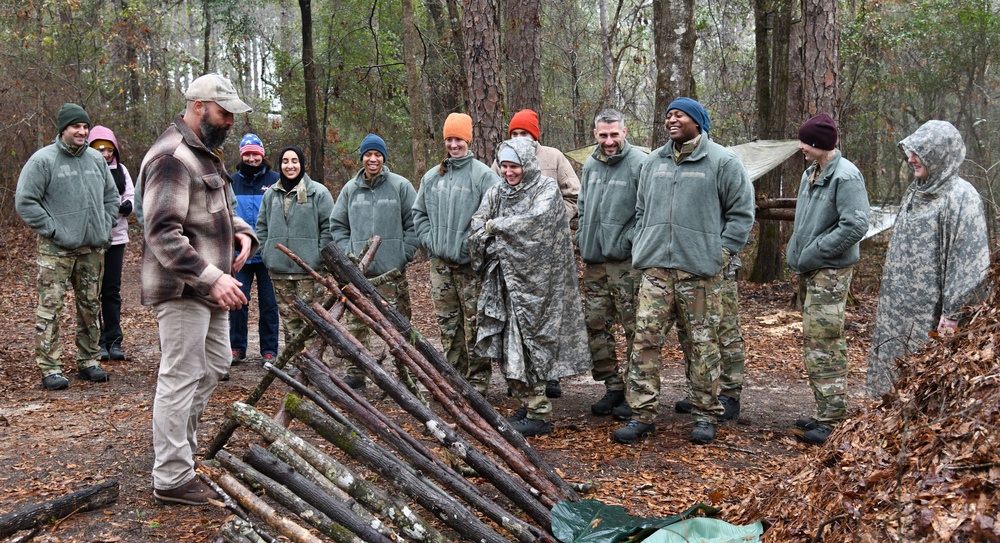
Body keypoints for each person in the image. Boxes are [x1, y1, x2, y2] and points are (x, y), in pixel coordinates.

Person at [140, 73, 257, 505]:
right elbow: (163, 234)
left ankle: (181, 456)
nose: (230, 121)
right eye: (224, 112)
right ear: (199, 106)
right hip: (184, 289)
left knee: (211, 370)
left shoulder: (206, 155)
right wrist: (213, 276)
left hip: (212, 291)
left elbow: (223, 208)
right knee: (180, 377)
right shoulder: (171, 157)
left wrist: (244, 234)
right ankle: (171, 478)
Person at [614, 97, 754, 446]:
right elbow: (642, 209)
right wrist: (642, 244)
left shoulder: (722, 162)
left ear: (698, 121)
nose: (671, 120)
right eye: (668, 116)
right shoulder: (653, 163)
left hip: (700, 274)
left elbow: (741, 215)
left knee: (702, 346)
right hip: (656, 272)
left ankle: (705, 415)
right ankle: (642, 415)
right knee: (644, 343)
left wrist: (718, 254)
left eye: (679, 115)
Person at [468, 138, 590, 437]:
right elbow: (476, 224)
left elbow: (535, 223)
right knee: (508, 344)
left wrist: (495, 228)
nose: (509, 172)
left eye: (515, 166)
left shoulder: (545, 189)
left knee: (531, 342)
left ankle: (539, 412)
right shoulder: (497, 191)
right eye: (505, 166)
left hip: (540, 288)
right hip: (505, 283)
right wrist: (491, 234)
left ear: (528, 164)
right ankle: (529, 402)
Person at [865, 120, 990, 397]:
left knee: (924, 388)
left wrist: (954, 313)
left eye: (919, 152)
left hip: (933, 318)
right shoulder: (916, 190)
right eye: (910, 151)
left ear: (938, 153)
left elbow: (971, 263)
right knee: (891, 383)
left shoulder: (961, 197)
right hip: (898, 311)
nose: (910, 159)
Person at [16, 104, 119, 391]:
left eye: (85, 127)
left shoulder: (96, 160)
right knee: (51, 308)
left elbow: (112, 197)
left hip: (92, 249)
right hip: (56, 251)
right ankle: (50, 367)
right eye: (76, 126)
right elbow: (25, 201)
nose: (82, 131)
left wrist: (105, 223)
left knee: (90, 306)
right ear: (63, 129)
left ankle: (88, 362)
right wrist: (52, 230)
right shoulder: (42, 161)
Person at [785, 113, 870, 446]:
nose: (800, 147)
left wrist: (817, 251)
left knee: (825, 341)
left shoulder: (846, 177)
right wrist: (800, 252)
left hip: (831, 271)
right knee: (814, 340)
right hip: (812, 268)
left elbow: (855, 225)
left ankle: (832, 420)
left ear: (819, 144)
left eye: (804, 141)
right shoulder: (811, 173)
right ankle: (825, 411)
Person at [491, 108, 582, 399]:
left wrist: (555, 220)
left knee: (549, 316)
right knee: (517, 317)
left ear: (535, 135)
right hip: (514, 253)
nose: (520, 138)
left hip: (550, 252)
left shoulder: (553, 157)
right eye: (515, 133)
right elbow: (494, 194)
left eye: (525, 133)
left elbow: (573, 194)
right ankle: (521, 375)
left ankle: (551, 375)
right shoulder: (502, 158)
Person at [412, 113, 501, 395]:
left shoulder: (483, 176)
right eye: (449, 139)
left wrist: (474, 247)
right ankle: (454, 379)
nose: (454, 144)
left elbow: (496, 218)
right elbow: (419, 214)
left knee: (475, 324)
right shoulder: (431, 177)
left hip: (471, 267)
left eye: (459, 139)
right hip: (440, 265)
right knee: (447, 325)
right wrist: (431, 242)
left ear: (468, 140)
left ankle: (477, 384)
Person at [331, 133, 418, 390]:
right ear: (362, 158)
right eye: (368, 154)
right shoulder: (350, 190)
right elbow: (338, 225)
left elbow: (413, 224)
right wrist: (349, 255)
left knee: (399, 324)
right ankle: (356, 373)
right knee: (357, 323)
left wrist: (404, 253)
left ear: (384, 158)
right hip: (359, 274)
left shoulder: (400, 186)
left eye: (377, 154)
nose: (372, 159)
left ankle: (410, 372)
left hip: (391, 272)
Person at [575, 109, 646, 416]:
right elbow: (581, 204)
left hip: (626, 264)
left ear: (625, 132)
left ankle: (636, 392)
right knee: (595, 326)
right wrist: (582, 237)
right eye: (603, 135)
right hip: (594, 262)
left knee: (634, 329)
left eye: (614, 134)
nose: (609, 140)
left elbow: (648, 211)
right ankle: (612, 386)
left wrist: (628, 240)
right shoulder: (590, 164)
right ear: (595, 134)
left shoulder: (640, 163)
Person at [256, 145, 334, 353]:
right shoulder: (271, 194)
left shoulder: (318, 192)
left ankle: (317, 366)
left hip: (310, 272)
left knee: (313, 323)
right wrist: (267, 254)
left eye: (294, 161)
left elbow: (329, 227)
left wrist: (318, 258)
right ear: (280, 165)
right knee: (290, 324)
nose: (290, 166)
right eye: (285, 162)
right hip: (280, 272)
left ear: (301, 164)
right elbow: (261, 227)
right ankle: (297, 366)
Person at [229, 133, 281, 366]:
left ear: (262, 155)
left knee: (269, 303)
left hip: (268, 253)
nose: (251, 158)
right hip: (240, 254)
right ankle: (236, 348)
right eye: (247, 154)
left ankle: (269, 350)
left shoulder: (275, 181)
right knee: (238, 301)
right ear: (242, 155)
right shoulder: (231, 182)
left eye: (255, 154)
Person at [86, 126, 134, 363]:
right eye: (99, 148)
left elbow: (131, 197)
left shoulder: (122, 170)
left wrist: (127, 207)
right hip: (92, 239)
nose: (105, 153)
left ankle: (114, 341)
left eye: (108, 149)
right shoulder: (86, 168)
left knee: (111, 291)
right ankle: (96, 343)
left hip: (116, 238)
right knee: (92, 291)